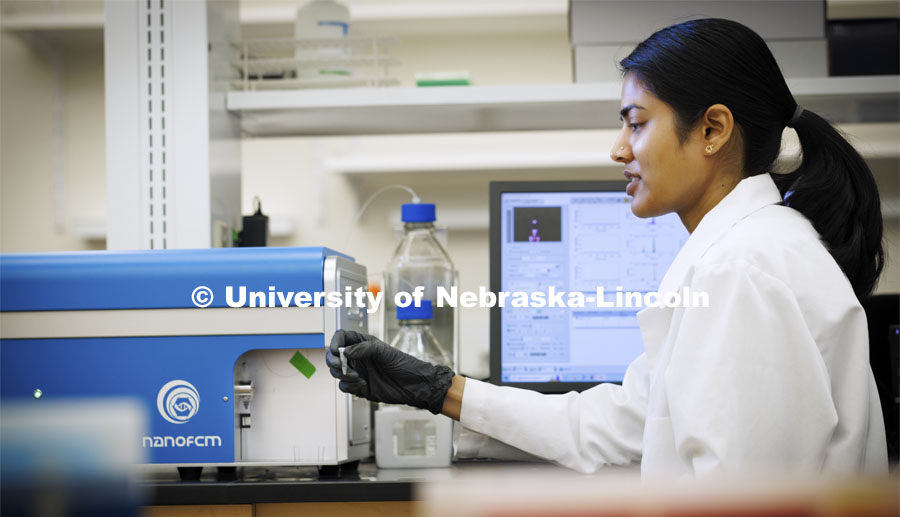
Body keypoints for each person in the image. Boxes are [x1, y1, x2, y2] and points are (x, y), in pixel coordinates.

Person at [326, 18, 888, 479]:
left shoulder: (744, 269)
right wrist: (437, 389)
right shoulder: (742, 254)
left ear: (713, 129)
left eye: (637, 124)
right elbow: (619, 422)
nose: (618, 149)